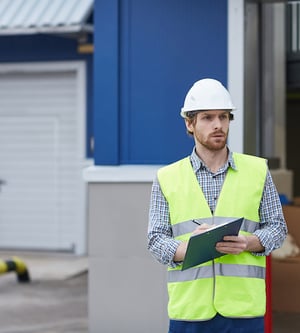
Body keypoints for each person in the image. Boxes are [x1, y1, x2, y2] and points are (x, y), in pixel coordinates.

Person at [147, 78, 287, 333]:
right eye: (208, 118)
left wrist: (249, 243)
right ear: (189, 123)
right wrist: (188, 248)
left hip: (244, 311)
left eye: (224, 117)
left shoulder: (257, 170)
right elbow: (155, 241)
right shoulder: (166, 178)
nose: (218, 125)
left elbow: (277, 228)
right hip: (190, 312)